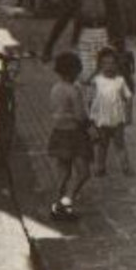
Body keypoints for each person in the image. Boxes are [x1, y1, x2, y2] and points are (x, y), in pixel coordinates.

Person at [41, 0, 127, 83]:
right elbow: (62, 21)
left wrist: (120, 45)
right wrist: (49, 46)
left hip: (105, 36)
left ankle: (101, 102)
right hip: (84, 37)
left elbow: (117, 20)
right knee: (86, 75)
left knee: (105, 74)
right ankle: (87, 101)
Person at [47, 51, 92, 221]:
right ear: (73, 71)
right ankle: (67, 202)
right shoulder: (73, 91)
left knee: (63, 172)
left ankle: (57, 205)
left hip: (59, 133)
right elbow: (81, 116)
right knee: (83, 173)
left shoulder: (55, 88)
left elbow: (54, 111)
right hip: (75, 134)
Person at [89, 47, 135, 177]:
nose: (109, 67)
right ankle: (100, 168)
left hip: (117, 119)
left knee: (120, 144)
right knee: (102, 146)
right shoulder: (97, 80)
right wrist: (92, 119)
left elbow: (129, 97)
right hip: (102, 119)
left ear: (117, 65)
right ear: (100, 65)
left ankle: (126, 167)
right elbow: (92, 100)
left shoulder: (120, 81)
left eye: (112, 63)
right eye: (105, 63)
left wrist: (129, 115)